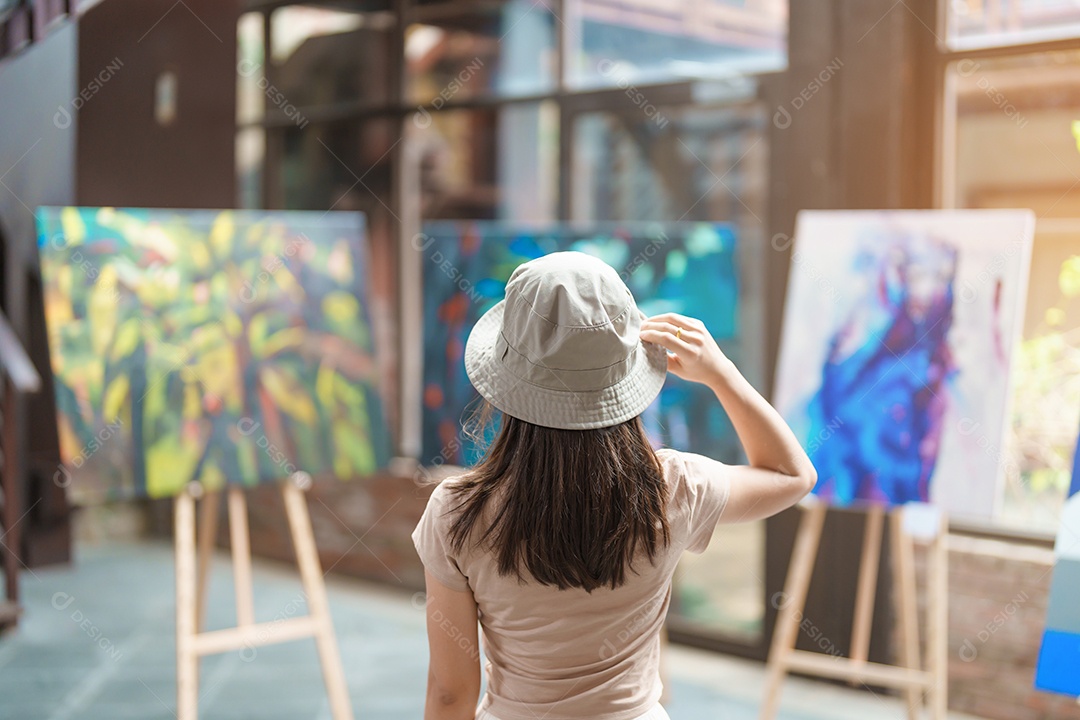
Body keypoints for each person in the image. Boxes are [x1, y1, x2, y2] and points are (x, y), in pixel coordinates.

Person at [413, 251, 816, 720]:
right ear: (626, 373)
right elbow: (792, 475)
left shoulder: (456, 512)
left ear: (507, 377)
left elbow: (450, 692)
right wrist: (721, 374)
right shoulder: (675, 489)